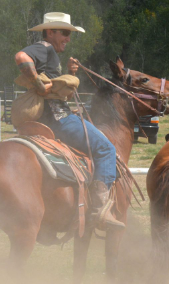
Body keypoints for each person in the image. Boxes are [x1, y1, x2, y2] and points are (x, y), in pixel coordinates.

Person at [14, 12, 124, 229]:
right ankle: (99, 210)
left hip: (45, 119)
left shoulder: (50, 53)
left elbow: (52, 84)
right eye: (64, 33)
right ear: (50, 32)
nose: (68, 38)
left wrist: (69, 72)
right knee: (106, 149)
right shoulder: (44, 47)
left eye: (69, 33)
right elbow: (21, 57)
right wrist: (37, 83)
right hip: (59, 120)